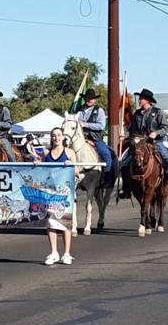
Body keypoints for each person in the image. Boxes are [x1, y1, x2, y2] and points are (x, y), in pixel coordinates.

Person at [120, 88, 168, 196]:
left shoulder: (158, 112)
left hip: (154, 142)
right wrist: (125, 136)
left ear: (148, 100)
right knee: (124, 162)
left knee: (167, 158)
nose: (139, 100)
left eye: (141, 98)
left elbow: (165, 128)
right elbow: (132, 130)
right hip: (139, 143)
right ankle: (125, 188)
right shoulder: (136, 114)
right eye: (140, 98)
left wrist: (156, 133)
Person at [40, 128, 76, 266]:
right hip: (50, 192)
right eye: (54, 136)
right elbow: (41, 171)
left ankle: (67, 253)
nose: (56, 138)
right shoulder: (46, 153)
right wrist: (37, 164)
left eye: (59, 135)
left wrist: (71, 165)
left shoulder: (69, 152)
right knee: (51, 222)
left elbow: (77, 171)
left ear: (63, 137)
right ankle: (54, 252)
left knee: (65, 223)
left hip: (65, 193)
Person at [76, 88, 113, 172]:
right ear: (84, 98)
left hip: (95, 139)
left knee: (106, 154)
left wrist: (85, 124)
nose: (89, 100)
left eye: (91, 98)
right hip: (80, 138)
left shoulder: (99, 110)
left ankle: (108, 178)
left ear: (95, 100)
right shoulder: (79, 110)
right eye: (88, 98)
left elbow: (101, 126)